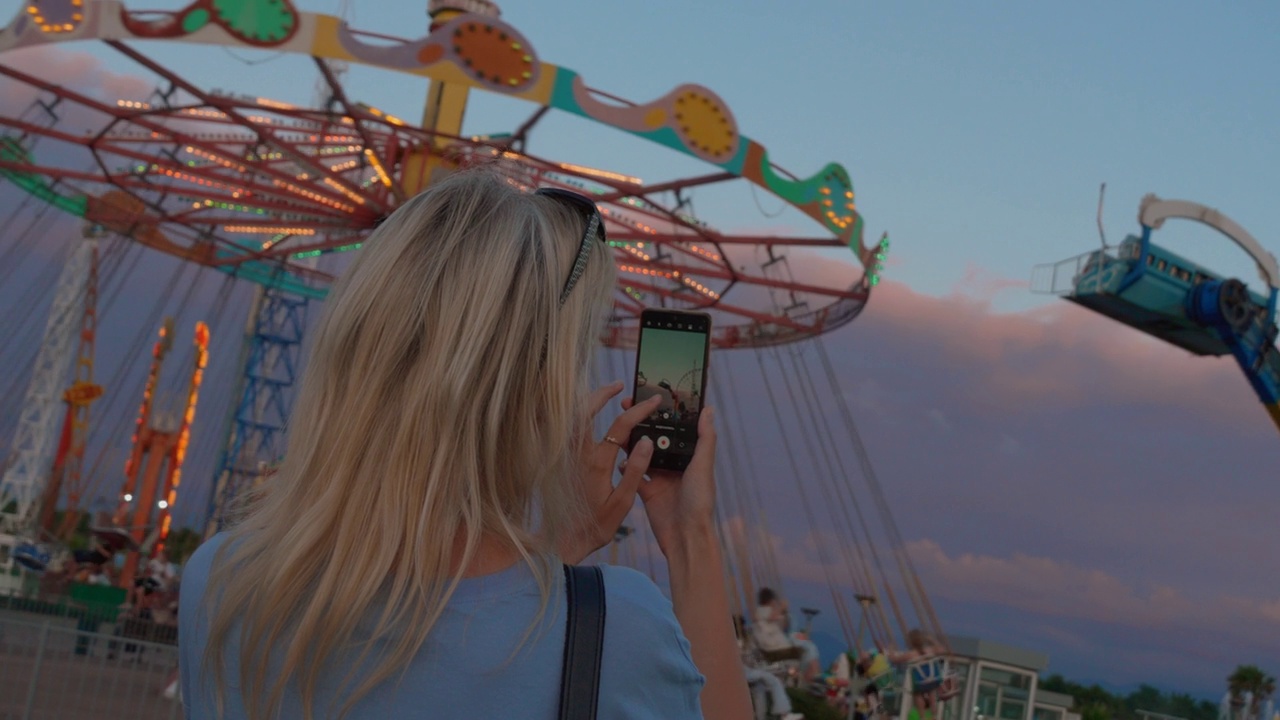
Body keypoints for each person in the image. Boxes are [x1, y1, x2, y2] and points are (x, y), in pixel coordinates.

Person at [178, 167, 752, 720]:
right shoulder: (620, 628)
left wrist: (558, 566)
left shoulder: (221, 584)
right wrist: (686, 537)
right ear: (535, 390)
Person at [753, 587, 821, 682]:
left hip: (783, 642)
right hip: (777, 647)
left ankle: (812, 675)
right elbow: (772, 617)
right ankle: (813, 675)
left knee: (808, 646)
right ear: (770, 600)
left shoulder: (769, 613)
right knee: (810, 648)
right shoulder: (763, 611)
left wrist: (798, 635)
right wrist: (782, 608)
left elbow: (783, 625)